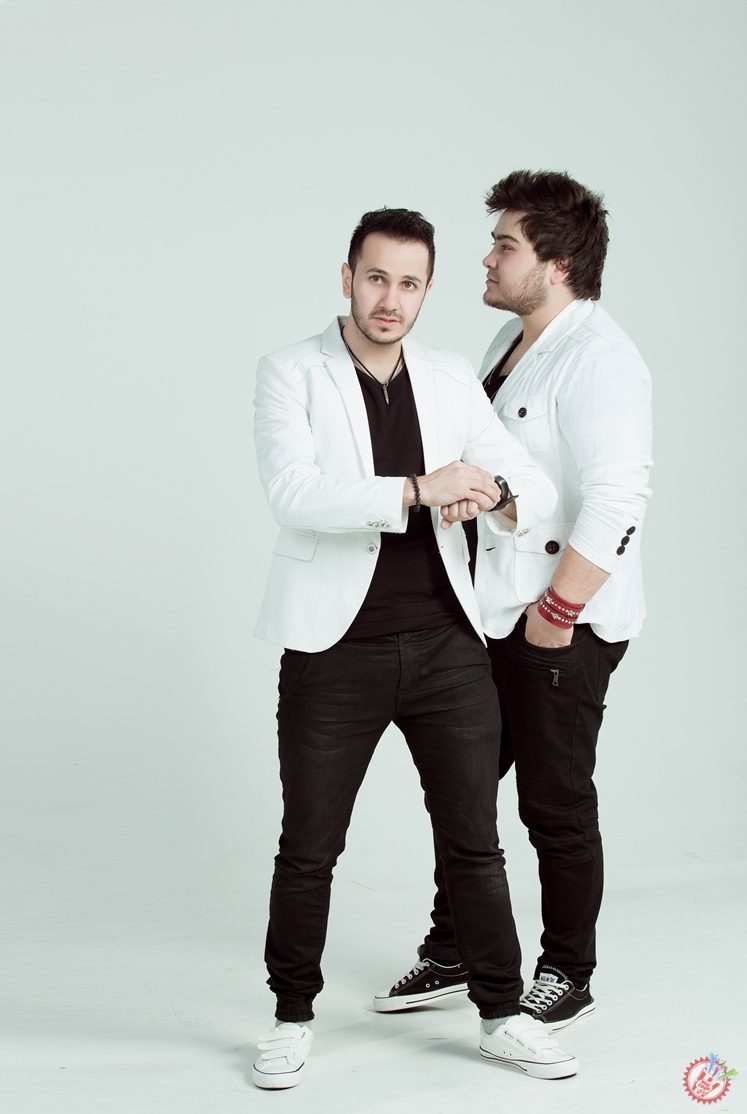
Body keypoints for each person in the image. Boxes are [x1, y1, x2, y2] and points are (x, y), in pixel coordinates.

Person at [251, 207, 579, 1089]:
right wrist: (416, 490)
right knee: (309, 847)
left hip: (446, 646)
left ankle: (501, 1015)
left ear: (427, 290)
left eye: (409, 283)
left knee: (473, 842)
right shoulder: (291, 371)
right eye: (375, 278)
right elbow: (293, 493)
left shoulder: (446, 376)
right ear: (347, 278)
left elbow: (531, 482)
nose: (389, 300)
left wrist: (491, 493)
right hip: (334, 649)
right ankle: (289, 1017)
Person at [375, 172, 653, 1034]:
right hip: (488, 612)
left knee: (552, 803)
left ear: (557, 264)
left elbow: (617, 502)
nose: (486, 259)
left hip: (558, 624)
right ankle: (454, 948)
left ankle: (567, 969)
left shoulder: (602, 359)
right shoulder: (512, 336)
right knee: (461, 790)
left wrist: (556, 617)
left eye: (504, 245)